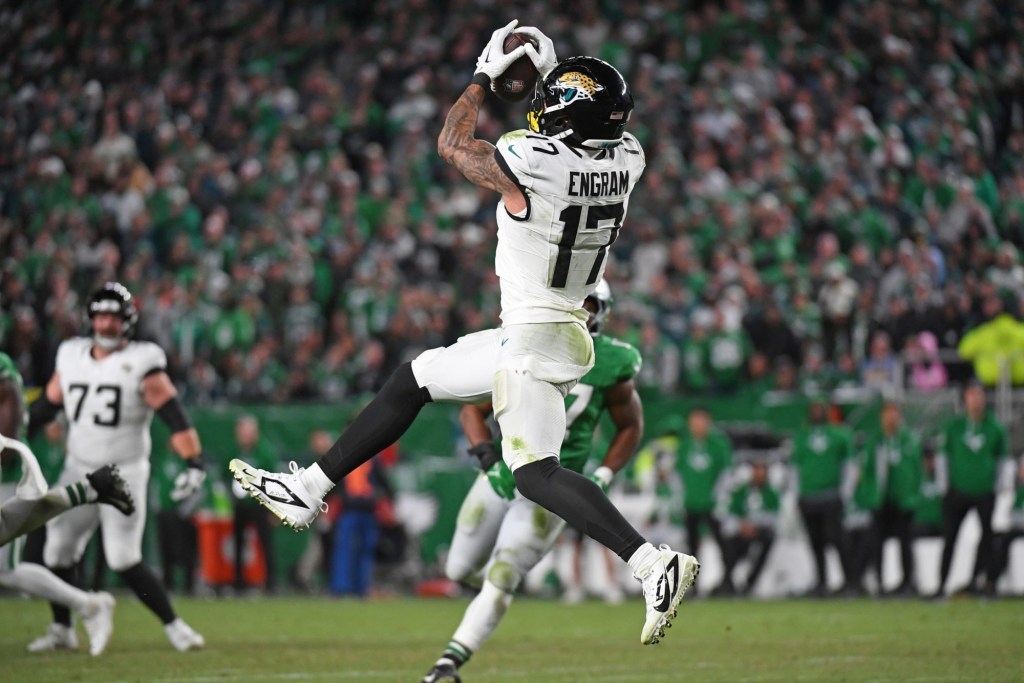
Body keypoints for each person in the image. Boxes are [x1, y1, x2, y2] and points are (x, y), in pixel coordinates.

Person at [231, 21, 698, 646]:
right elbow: (581, 127)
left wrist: (482, 75)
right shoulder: (629, 157)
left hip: (534, 337)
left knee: (535, 473)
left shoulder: (534, 163)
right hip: (552, 328)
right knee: (414, 379)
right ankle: (308, 487)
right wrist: (555, 76)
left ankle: (651, 563)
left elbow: (453, 144)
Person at [421, 280, 643, 682]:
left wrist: (605, 472)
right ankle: (486, 593)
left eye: (590, 305)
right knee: (457, 569)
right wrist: (487, 457)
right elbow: (473, 410)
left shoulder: (612, 362)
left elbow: (630, 425)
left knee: (503, 575)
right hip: (505, 475)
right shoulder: (525, 346)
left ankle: (448, 664)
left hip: (551, 490)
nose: (584, 312)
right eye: (578, 303)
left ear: (602, 312)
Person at [26, 282, 206, 652]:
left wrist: (194, 462)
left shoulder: (143, 359)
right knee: (57, 552)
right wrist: (14, 437)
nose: (106, 325)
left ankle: (174, 626)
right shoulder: (71, 354)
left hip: (124, 471)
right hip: (78, 469)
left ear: (127, 322)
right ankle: (62, 629)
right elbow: (47, 405)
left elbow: (173, 413)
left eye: (113, 317)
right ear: (90, 319)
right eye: (101, 316)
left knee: (123, 557)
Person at [0, 351, 134, 656]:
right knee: (5, 565)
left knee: (6, 566)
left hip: (5, 470)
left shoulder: (2, 369)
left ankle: (88, 606)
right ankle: (88, 490)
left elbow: (7, 434)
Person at [931, 383, 1009, 598]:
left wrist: (998, 486)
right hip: (957, 491)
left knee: (987, 537)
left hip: (984, 491)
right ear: (965, 399)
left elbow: (1002, 460)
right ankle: (941, 584)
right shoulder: (953, 427)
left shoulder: (995, 428)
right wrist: (944, 485)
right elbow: (942, 457)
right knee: (950, 538)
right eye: (971, 396)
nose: (975, 401)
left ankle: (984, 582)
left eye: (979, 396)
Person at [790, 401, 855, 597]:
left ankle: (850, 581)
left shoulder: (840, 435)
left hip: (831, 495)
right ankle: (821, 582)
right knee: (815, 543)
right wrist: (796, 494)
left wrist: (845, 493)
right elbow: (795, 468)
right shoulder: (801, 437)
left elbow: (850, 465)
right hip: (808, 497)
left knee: (838, 540)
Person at [862, 402, 922, 596]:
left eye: (894, 415)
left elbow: (918, 470)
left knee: (905, 543)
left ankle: (907, 581)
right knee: (876, 543)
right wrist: (871, 495)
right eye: (887, 415)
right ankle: (879, 581)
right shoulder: (876, 440)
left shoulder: (909, 440)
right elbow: (867, 470)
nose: (891, 419)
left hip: (904, 500)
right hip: (881, 500)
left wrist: (914, 494)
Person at [676, 407, 732, 593]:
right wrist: (681, 497)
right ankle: (693, 586)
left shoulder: (718, 445)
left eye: (701, 421)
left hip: (712, 504)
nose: (698, 426)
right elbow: (677, 474)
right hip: (691, 503)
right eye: (694, 422)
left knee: (722, 545)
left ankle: (728, 582)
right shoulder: (684, 445)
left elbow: (725, 473)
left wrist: (720, 498)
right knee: (691, 548)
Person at [712, 460, 781, 597]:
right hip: (741, 530)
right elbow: (730, 512)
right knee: (728, 547)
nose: (759, 474)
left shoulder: (771, 492)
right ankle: (727, 582)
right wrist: (742, 525)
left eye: (762, 471)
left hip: (760, 531)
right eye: (756, 470)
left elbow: (775, 516)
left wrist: (756, 524)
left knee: (769, 539)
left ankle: (750, 583)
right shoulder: (741, 490)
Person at [230, 414, 278, 594]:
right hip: (240, 505)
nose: (245, 437)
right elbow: (224, 475)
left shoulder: (265, 452)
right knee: (238, 543)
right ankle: (238, 581)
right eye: (242, 433)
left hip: (260, 504)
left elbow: (272, 481)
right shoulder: (235, 452)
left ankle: (270, 582)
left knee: (266, 543)